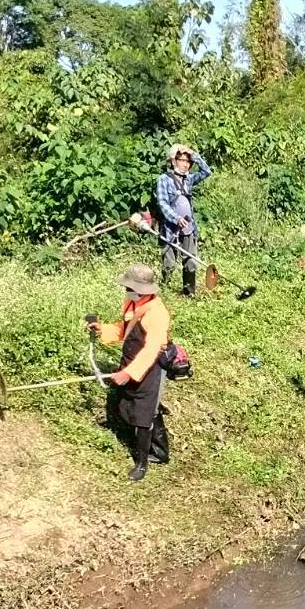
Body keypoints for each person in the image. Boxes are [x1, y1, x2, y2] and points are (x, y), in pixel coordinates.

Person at [87, 264, 172, 482]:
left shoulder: (157, 314)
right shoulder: (132, 303)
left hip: (150, 367)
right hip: (131, 360)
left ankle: (143, 462)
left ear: (143, 290)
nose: (126, 291)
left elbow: (152, 349)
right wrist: (103, 329)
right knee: (129, 406)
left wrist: (129, 373)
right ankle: (161, 451)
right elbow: (125, 330)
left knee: (143, 415)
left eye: (129, 288)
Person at [155, 143, 212, 297]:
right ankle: (163, 292)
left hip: (189, 227)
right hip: (170, 229)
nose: (186, 164)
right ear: (174, 161)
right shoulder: (164, 179)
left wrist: (194, 154)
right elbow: (162, 203)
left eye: (188, 161)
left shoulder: (189, 179)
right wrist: (176, 218)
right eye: (182, 160)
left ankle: (189, 293)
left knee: (191, 261)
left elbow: (207, 171)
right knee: (169, 263)